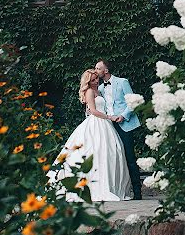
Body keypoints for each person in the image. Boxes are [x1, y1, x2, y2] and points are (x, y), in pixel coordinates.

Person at [48, 69, 132, 202]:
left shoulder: (99, 90)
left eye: (96, 78)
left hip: (105, 125)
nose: (95, 81)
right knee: (94, 150)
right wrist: (110, 117)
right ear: (87, 81)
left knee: (110, 152)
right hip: (96, 123)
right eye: (92, 80)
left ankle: (112, 185)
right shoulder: (89, 91)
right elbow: (93, 111)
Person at [95, 59, 142, 200]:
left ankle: (137, 193)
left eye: (98, 68)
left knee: (129, 157)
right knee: (114, 159)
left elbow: (133, 102)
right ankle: (119, 191)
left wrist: (123, 116)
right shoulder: (100, 89)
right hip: (109, 126)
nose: (96, 71)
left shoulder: (122, 82)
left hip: (125, 124)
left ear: (106, 70)